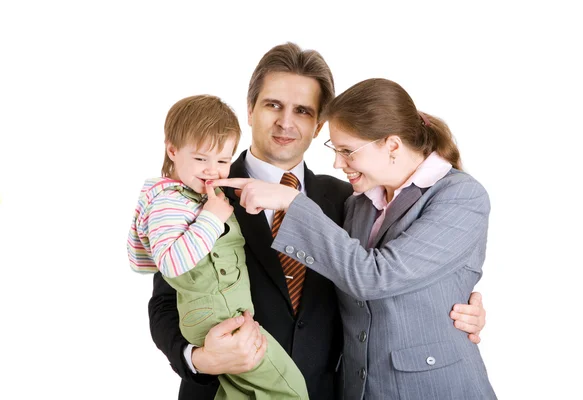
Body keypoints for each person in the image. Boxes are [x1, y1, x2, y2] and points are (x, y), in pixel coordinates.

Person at [148, 43, 488, 400]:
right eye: (273, 105)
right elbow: (164, 302)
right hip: (224, 389)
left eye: (303, 111)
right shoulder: (197, 191)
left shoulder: (351, 198)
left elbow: (384, 275)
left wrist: (451, 307)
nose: (285, 121)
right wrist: (199, 359)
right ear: (250, 110)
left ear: (319, 125)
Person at [128, 95, 309, 399]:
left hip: (233, 319)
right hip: (218, 324)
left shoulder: (205, 196)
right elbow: (170, 265)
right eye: (201, 159)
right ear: (172, 150)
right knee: (290, 390)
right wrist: (212, 217)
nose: (213, 170)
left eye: (223, 160)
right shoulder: (170, 203)